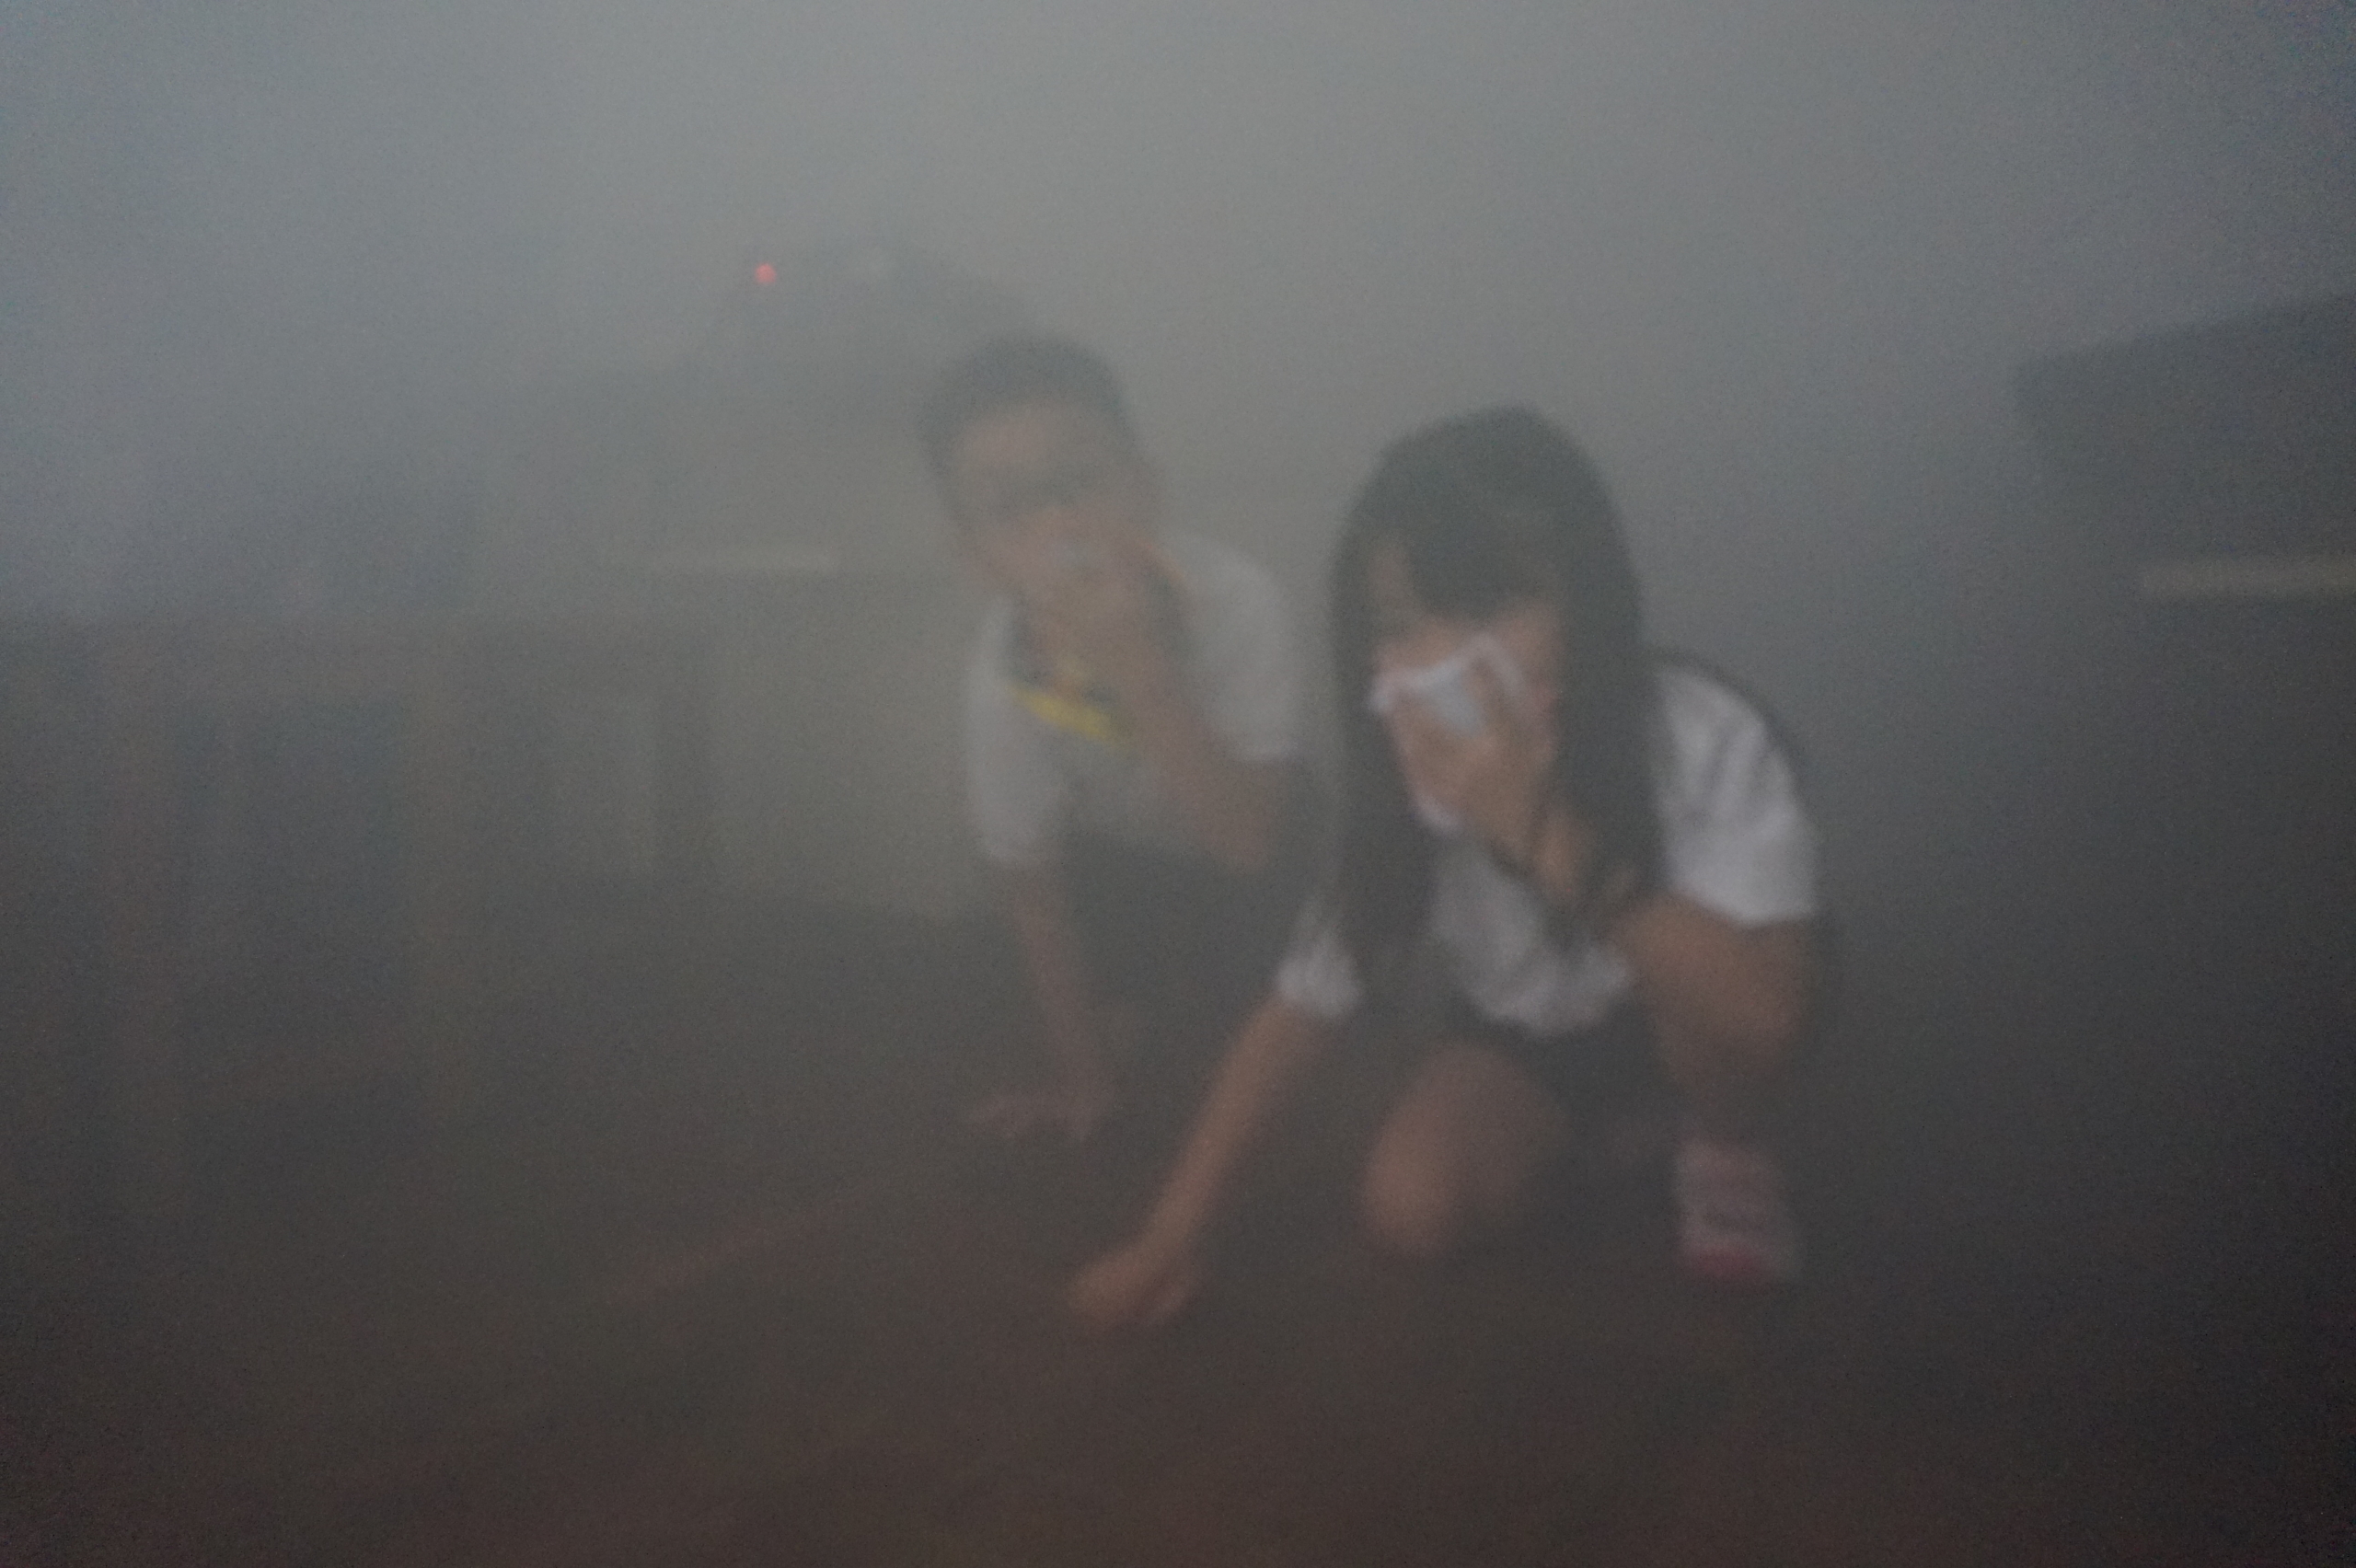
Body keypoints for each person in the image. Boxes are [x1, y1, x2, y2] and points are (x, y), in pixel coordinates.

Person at [1070, 407, 1823, 1330]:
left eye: (1488, 607)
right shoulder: (1404, 788)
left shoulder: (1701, 735)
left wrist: (1537, 827)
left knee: (1704, 1015)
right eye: (1398, 625)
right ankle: (1618, 1136)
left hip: (1687, 1005)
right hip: (1533, 1034)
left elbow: (1765, 1016)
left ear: (1588, 600)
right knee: (1412, 1208)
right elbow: (1296, 1013)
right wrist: (1170, 1235)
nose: (1441, 664)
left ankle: (1722, 1143)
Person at [924, 334, 1313, 1144]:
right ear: (977, 558)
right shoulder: (1004, 670)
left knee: (1268, 1069)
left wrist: (1139, 669)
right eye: (1009, 509)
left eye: (1077, 482)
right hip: (1118, 858)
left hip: (1251, 838)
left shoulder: (1237, 602)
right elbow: (1031, 890)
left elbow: (1250, 841)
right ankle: (1138, 1010)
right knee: (1036, 972)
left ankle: (1216, 1005)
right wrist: (1086, 1083)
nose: (1057, 524)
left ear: (1145, 489)